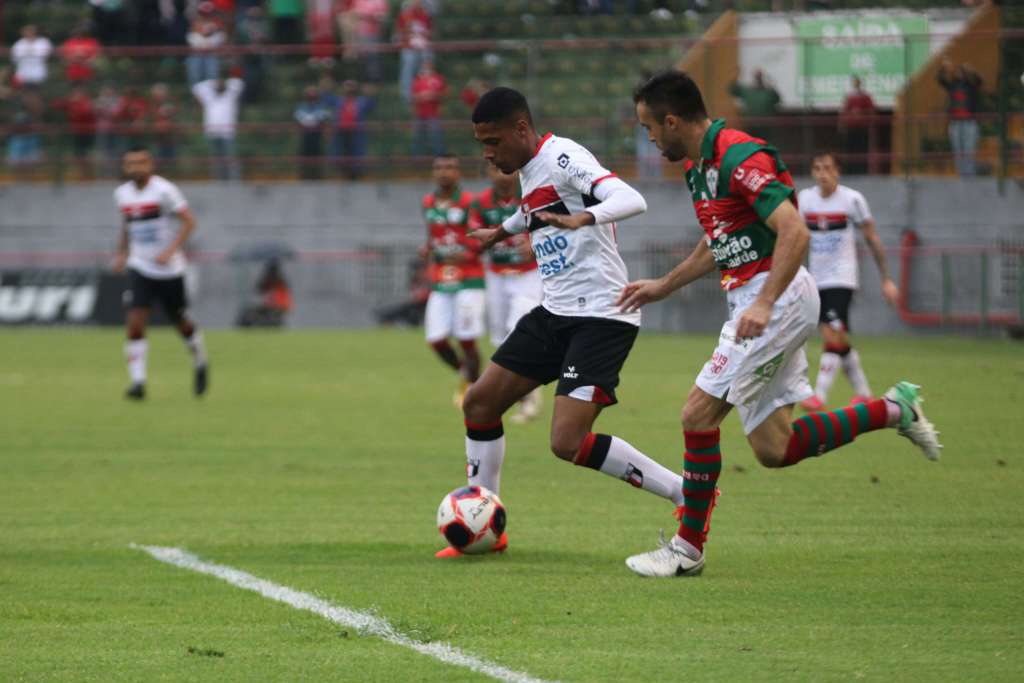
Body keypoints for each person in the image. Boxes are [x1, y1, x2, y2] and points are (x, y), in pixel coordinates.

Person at [619, 71, 941, 578]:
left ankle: (687, 548)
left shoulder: (738, 157)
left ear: (673, 120)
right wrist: (665, 284)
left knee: (696, 416)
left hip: (777, 298)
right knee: (775, 448)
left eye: (649, 128)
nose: (650, 139)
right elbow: (717, 242)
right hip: (760, 301)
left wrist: (765, 303)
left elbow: (793, 229)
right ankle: (892, 409)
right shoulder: (699, 169)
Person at [437, 87, 688, 559]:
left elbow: (629, 197)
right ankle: (487, 524)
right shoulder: (532, 170)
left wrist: (586, 218)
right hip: (556, 312)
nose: (488, 153)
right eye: (481, 144)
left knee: (566, 442)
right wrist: (502, 231)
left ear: (521, 129)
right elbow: (537, 209)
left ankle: (685, 494)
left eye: (493, 142)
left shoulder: (563, 155)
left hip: (601, 315)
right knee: (480, 403)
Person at [797, 153, 899, 411]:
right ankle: (864, 393)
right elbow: (795, 238)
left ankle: (818, 395)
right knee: (838, 337)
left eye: (827, 168)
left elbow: (872, 239)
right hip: (816, 278)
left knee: (831, 333)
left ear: (838, 171)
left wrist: (886, 278)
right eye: (817, 167)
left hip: (842, 277)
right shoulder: (805, 200)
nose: (822, 173)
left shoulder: (852, 200)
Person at [111, 147, 209, 400]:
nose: (135, 168)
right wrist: (122, 253)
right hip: (140, 266)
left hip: (169, 270)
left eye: (140, 163)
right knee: (135, 321)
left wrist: (170, 251)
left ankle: (199, 358)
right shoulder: (122, 194)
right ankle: (138, 383)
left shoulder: (165, 190)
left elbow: (189, 222)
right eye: (130, 163)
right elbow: (127, 225)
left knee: (180, 321)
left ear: (150, 164)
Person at [471, 164, 544, 424]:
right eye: (495, 170)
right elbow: (473, 238)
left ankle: (529, 397)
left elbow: (550, 226)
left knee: (519, 328)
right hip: (497, 274)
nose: (503, 174)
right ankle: (524, 395)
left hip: (527, 274)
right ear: (488, 173)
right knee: (501, 338)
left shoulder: (531, 196)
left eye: (507, 170)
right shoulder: (481, 204)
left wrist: (535, 243)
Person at [420, 155, 484, 407]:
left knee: (466, 337)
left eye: (449, 167)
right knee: (436, 339)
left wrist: (469, 251)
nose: (444, 172)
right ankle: (471, 376)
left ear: (459, 173)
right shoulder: (428, 202)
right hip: (441, 278)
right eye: (438, 168)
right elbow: (433, 237)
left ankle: (470, 387)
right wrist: (426, 249)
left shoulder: (471, 202)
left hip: (470, 278)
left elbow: (483, 237)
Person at [192, 75, 245, 180]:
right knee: (215, 159)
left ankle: (234, 180)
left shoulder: (230, 95)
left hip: (227, 133)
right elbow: (197, 87)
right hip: (212, 132)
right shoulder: (209, 96)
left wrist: (225, 82)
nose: (219, 85)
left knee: (230, 157)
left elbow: (239, 83)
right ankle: (218, 180)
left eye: (221, 83)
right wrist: (213, 82)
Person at [937, 59, 982, 177]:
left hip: (969, 123)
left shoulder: (972, 86)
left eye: (962, 72)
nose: (960, 73)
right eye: (958, 71)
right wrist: (943, 68)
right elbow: (940, 80)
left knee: (969, 151)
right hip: (955, 123)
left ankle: (969, 176)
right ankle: (962, 175)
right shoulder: (952, 85)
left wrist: (972, 70)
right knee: (957, 151)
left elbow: (979, 80)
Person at [332, 80, 376, 179]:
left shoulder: (361, 101)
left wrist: (370, 94)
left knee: (356, 152)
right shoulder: (339, 100)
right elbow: (326, 99)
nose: (349, 89)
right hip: (342, 131)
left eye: (351, 86)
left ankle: (355, 173)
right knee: (342, 152)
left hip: (356, 131)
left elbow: (371, 105)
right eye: (347, 86)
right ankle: (343, 172)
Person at [728, 69, 780, 142]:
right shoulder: (747, 91)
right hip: (750, 124)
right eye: (756, 77)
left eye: (760, 77)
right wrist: (737, 76)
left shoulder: (769, 92)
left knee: (763, 144)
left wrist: (771, 84)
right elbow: (732, 90)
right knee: (751, 144)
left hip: (765, 125)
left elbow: (777, 99)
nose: (758, 79)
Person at [396, 0, 433, 102]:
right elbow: (400, 33)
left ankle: (426, 90)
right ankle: (406, 95)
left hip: (423, 46)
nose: (417, 3)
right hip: (409, 46)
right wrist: (410, 38)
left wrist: (422, 39)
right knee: (409, 62)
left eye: (419, 2)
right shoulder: (405, 15)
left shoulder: (425, 14)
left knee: (427, 59)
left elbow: (429, 31)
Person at [237, 259, 293, 327]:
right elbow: (259, 289)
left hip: (278, 306)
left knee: (254, 312)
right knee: (255, 312)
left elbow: (259, 289)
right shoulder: (278, 280)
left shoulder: (276, 280)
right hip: (275, 306)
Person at [838, 76, 876, 175]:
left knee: (862, 150)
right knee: (850, 151)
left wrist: (862, 115)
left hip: (862, 128)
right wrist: (843, 123)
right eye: (854, 82)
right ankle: (850, 171)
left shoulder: (866, 96)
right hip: (850, 129)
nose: (855, 84)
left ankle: (862, 171)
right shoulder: (849, 96)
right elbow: (844, 111)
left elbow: (871, 111)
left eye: (857, 82)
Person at [411, 59, 447, 157]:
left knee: (436, 138)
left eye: (428, 65)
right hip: (420, 114)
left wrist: (433, 95)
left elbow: (444, 95)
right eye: (424, 66)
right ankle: (417, 160)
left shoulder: (438, 78)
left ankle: (440, 158)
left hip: (434, 114)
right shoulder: (417, 80)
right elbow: (413, 97)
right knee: (417, 138)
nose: (426, 68)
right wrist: (421, 96)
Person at [294, 86, 331, 179]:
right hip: (306, 136)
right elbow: (303, 119)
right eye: (309, 93)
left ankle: (318, 176)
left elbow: (322, 118)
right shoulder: (301, 106)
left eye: (313, 93)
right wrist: (313, 119)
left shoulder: (321, 106)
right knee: (304, 157)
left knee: (318, 157)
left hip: (317, 136)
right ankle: (304, 176)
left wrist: (313, 119)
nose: (311, 95)